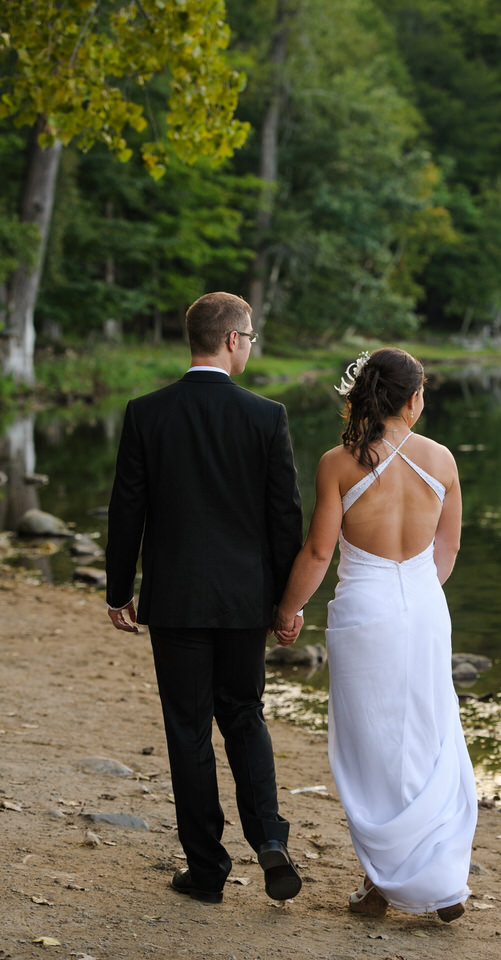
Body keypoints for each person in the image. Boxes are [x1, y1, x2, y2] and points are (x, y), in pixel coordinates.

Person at [105, 292, 304, 905]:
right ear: (231, 340)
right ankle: (270, 838)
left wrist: (118, 590)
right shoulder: (266, 416)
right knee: (243, 715)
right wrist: (284, 601)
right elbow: (284, 520)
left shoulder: (147, 412)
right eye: (250, 338)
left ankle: (207, 869)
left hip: (177, 599)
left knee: (188, 729)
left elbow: (126, 510)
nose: (249, 346)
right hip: (245, 602)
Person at [274, 347, 477, 922]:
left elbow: (318, 552)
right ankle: (444, 880)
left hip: (366, 610)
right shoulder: (442, 461)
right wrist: (416, 591)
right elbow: (448, 548)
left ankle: (380, 883)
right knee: (431, 734)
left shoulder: (339, 463)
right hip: (425, 609)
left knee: (372, 748)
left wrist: (288, 610)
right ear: (412, 399)